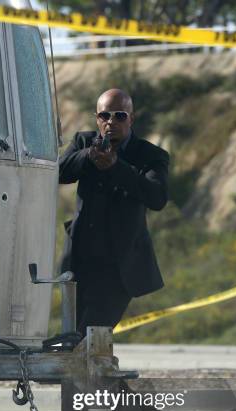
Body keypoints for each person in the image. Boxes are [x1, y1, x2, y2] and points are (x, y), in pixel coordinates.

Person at [59, 88, 169, 336]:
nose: (111, 122)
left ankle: (82, 370)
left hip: (120, 265)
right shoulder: (84, 142)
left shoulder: (150, 155)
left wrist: (117, 167)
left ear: (131, 118)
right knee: (77, 333)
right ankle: (89, 374)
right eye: (104, 116)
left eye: (119, 116)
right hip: (82, 259)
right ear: (97, 119)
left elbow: (157, 197)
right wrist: (88, 156)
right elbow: (59, 172)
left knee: (92, 330)